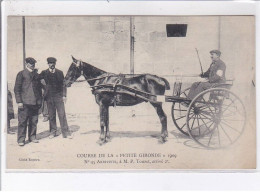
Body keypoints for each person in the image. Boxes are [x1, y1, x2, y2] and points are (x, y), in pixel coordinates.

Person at [39, 57, 72, 139]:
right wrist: (42, 85)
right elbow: (37, 80)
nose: (52, 64)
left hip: (58, 97)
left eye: (53, 63)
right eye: (50, 63)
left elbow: (63, 85)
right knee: (51, 115)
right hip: (49, 97)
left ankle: (66, 133)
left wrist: (64, 95)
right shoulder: (44, 73)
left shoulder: (60, 73)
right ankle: (53, 132)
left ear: (55, 64)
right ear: (48, 64)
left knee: (62, 115)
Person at [14, 57, 43, 146]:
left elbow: (40, 86)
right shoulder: (21, 74)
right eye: (31, 63)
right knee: (22, 121)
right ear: (26, 64)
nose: (32, 65)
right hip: (24, 102)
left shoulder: (37, 75)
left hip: (35, 102)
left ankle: (32, 137)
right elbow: (17, 89)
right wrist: (19, 101)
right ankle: (21, 139)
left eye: (34, 64)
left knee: (34, 121)